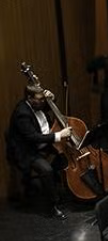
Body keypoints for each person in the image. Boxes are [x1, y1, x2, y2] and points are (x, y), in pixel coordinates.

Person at [6, 84, 72, 217]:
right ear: (29, 98)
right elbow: (33, 138)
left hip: (44, 143)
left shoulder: (38, 105)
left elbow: (47, 107)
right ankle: (52, 206)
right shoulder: (22, 114)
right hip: (27, 150)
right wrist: (59, 135)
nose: (43, 102)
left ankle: (56, 183)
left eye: (44, 99)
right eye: (40, 99)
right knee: (46, 170)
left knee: (65, 155)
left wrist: (52, 99)